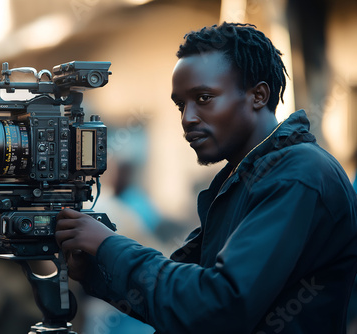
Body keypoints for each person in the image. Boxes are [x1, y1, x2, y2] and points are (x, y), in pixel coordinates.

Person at [54, 22, 357, 333]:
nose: (187, 118)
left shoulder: (297, 175)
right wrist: (96, 267)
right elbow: (184, 303)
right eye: (180, 104)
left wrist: (109, 246)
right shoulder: (244, 177)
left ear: (258, 95)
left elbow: (219, 305)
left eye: (203, 98)